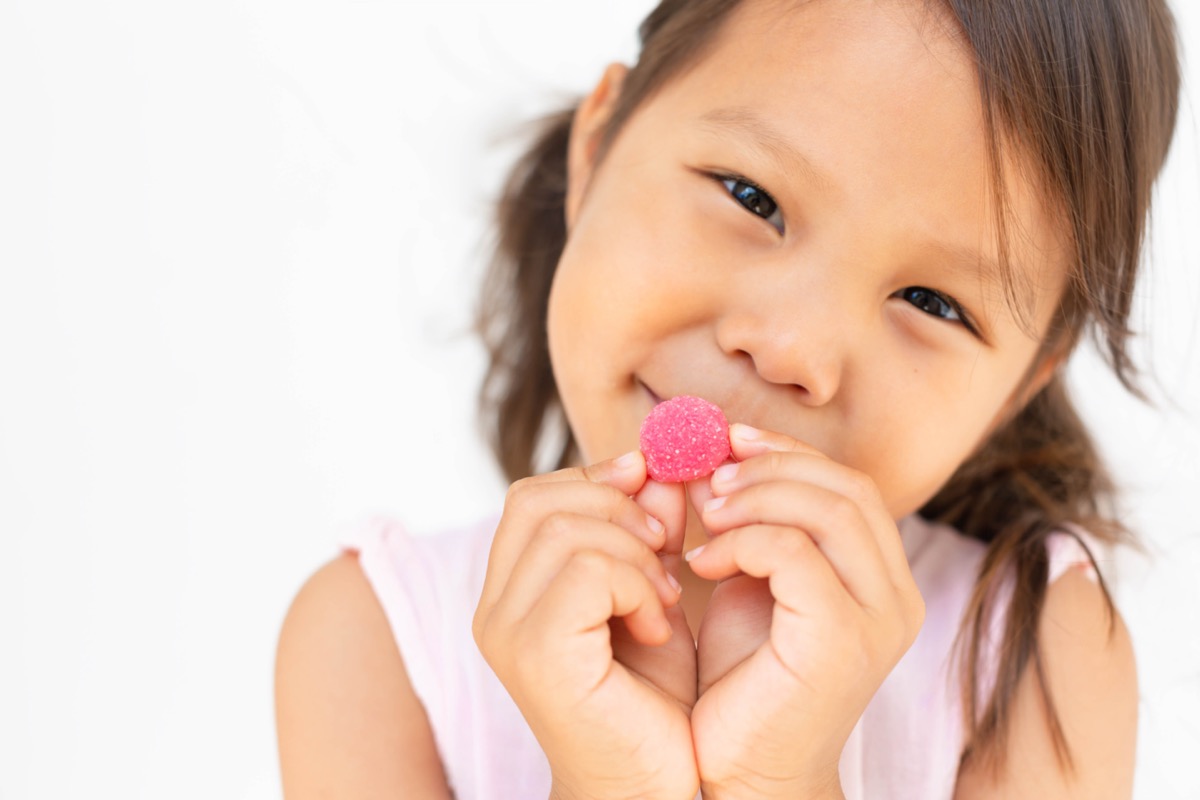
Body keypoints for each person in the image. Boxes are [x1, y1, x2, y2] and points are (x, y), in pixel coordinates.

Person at [273, 0, 1182, 797]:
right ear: (597, 149)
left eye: (933, 303)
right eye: (752, 196)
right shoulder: (379, 644)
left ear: (1022, 383)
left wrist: (781, 782)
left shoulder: (1033, 653)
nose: (794, 350)